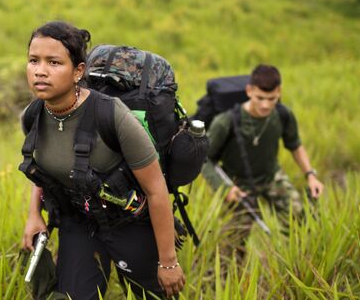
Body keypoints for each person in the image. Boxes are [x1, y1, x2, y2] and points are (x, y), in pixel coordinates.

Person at [20, 21, 184, 299]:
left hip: (128, 223)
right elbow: (47, 171)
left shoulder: (112, 115)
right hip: (79, 223)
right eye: (33, 60)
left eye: (54, 62)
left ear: (78, 72)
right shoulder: (33, 115)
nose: (40, 71)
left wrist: (168, 261)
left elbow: (156, 191)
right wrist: (34, 215)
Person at [201, 64, 325, 259]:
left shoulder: (283, 115)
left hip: (271, 176)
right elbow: (204, 158)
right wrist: (225, 189)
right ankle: (226, 279)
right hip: (238, 184)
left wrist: (310, 175)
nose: (266, 105)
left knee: (298, 217)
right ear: (249, 91)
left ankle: (296, 261)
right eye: (260, 98)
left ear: (279, 92)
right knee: (233, 241)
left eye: (272, 99)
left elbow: (295, 145)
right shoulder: (226, 121)